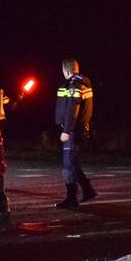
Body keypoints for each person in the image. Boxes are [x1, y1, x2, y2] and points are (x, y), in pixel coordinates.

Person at [53, 58, 97, 208]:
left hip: (72, 130)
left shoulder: (74, 85)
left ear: (66, 70)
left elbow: (73, 108)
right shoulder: (83, 82)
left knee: (68, 165)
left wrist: (67, 130)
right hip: (79, 129)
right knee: (73, 163)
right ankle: (88, 190)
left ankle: (71, 198)